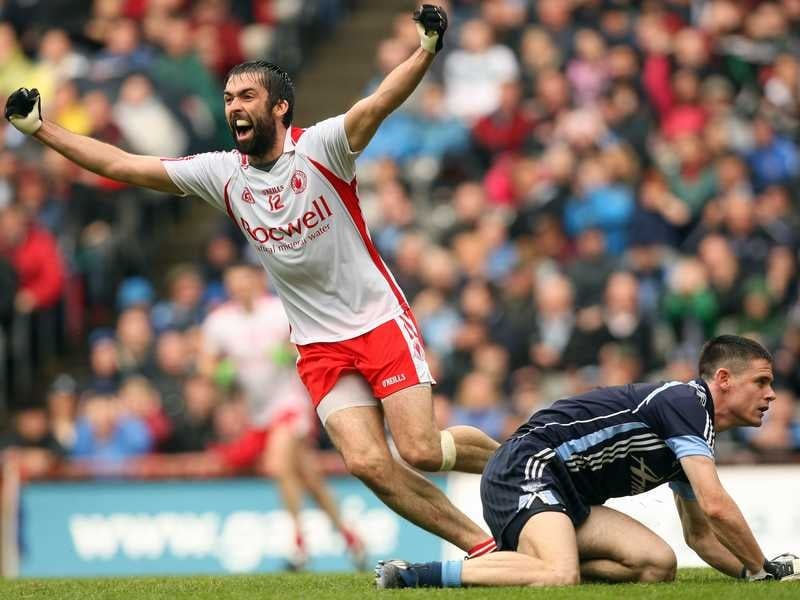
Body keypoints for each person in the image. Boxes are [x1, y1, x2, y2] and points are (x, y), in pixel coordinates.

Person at [4, 4, 500, 558]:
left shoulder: (323, 148)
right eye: (228, 99)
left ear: (279, 106)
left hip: (378, 320)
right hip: (318, 344)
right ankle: (482, 544)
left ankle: (520, 463)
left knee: (422, 450)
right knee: (364, 462)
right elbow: (122, 166)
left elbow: (380, 100)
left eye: (246, 97)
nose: (233, 107)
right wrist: (40, 129)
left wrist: (426, 49)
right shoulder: (221, 173)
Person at [376, 335, 800, 588]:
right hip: (530, 466)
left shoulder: (697, 431)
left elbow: (702, 537)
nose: (771, 395)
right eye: (761, 382)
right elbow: (715, 504)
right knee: (559, 575)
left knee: (657, 566)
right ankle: (416, 575)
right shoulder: (687, 401)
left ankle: (517, 561)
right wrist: (767, 567)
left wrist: (750, 575)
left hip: (566, 496)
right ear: (723, 380)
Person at [199, 262, 366, 570]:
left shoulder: (279, 310)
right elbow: (205, 364)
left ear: (257, 281)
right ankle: (350, 537)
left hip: (290, 402)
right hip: (258, 410)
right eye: (233, 283)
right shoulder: (219, 322)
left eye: (245, 281)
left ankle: (298, 545)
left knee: (278, 462)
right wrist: (221, 373)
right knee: (309, 478)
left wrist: (290, 353)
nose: (240, 288)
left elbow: (310, 345)